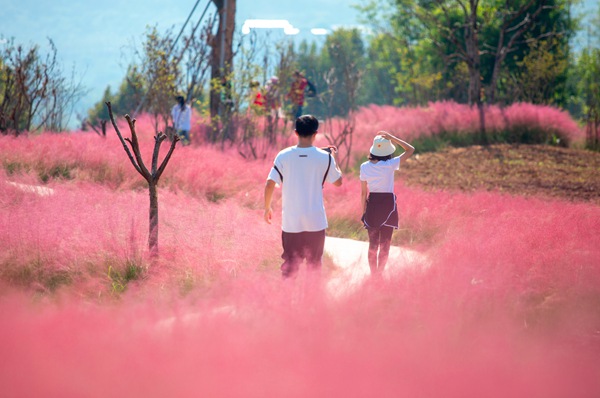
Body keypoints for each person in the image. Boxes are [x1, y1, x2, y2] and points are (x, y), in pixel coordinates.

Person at [264, 115, 343, 278]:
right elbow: (338, 182)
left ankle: (288, 301)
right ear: (316, 134)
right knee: (314, 265)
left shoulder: (283, 155)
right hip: (316, 221)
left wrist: (267, 208)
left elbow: (270, 183)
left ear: (295, 132)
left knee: (290, 266)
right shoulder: (325, 157)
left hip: (291, 222)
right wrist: (333, 158)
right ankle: (311, 300)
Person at [360, 132, 414, 277]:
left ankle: (373, 276)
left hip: (372, 205)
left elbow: (363, 193)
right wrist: (393, 137)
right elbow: (410, 149)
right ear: (388, 151)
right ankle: (379, 275)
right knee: (385, 244)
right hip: (388, 205)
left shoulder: (364, 167)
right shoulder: (390, 164)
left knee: (373, 244)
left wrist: (363, 213)